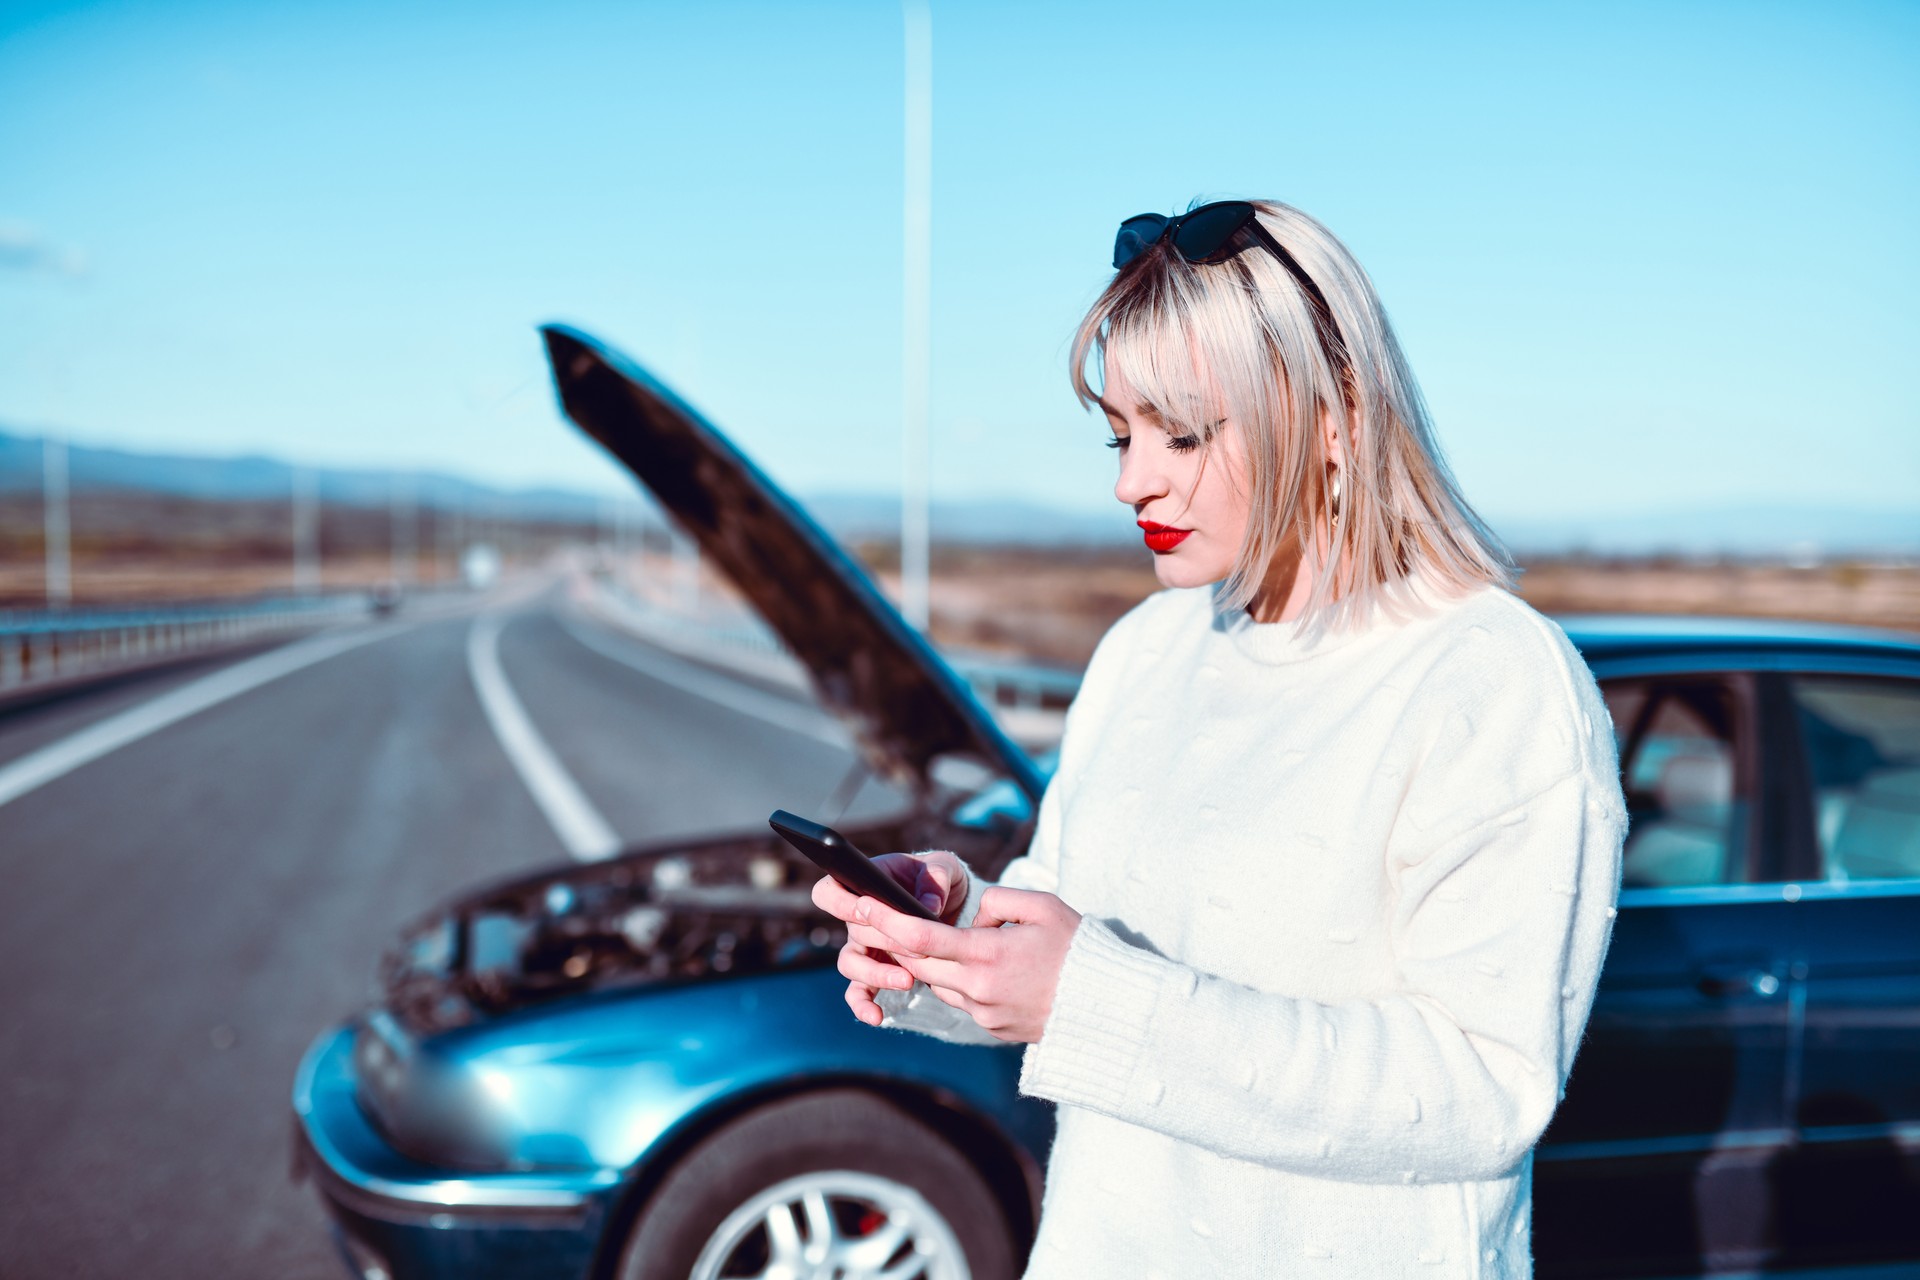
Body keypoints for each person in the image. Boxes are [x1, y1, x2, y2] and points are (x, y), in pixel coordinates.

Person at [811, 198, 1627, 1278]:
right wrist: (951, 932)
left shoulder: (1494, 679)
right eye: (1120, 432)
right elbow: (1062, 951)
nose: (1129, 479)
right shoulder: (1148, 645)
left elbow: (1482, 1089)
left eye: (1182, 433)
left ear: (1334, 418)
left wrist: (1085, 993)